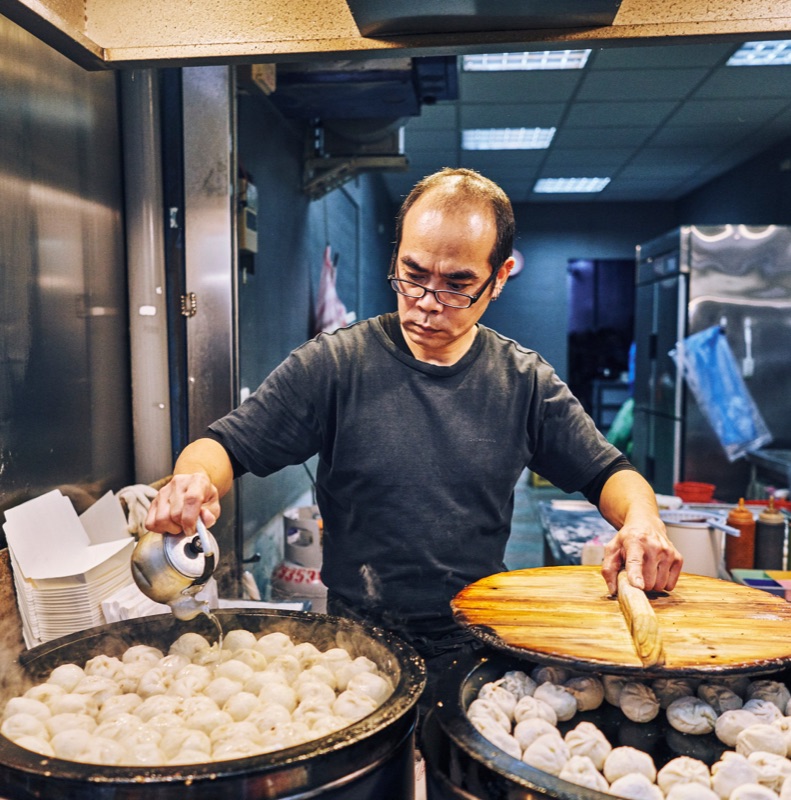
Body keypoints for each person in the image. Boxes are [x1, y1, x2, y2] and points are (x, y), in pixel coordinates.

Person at [145, 167, 682, 705]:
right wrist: (191, 481)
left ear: (499, 278)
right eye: (413, 273)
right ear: (396, 256)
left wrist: (643, 520)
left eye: (457, 285)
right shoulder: (335, 365)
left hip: (475, 640)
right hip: (354, 647)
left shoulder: (523, 383)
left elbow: (610, 472)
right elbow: (225, 445)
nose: (427, 301)